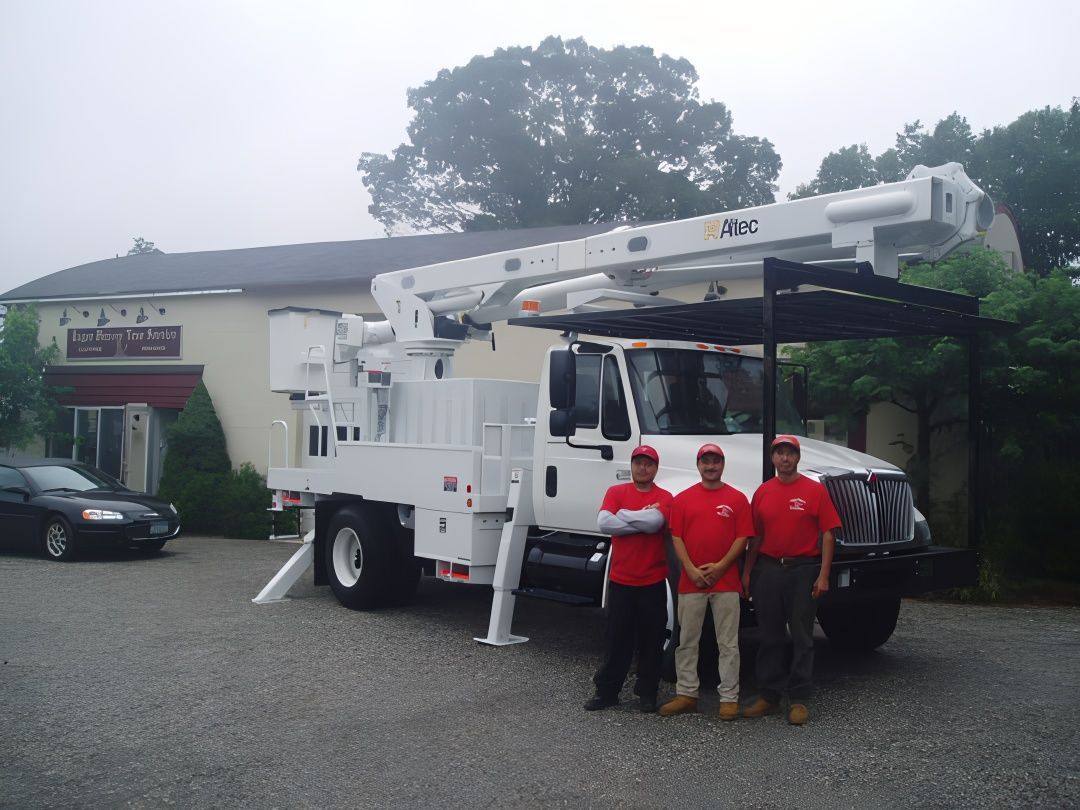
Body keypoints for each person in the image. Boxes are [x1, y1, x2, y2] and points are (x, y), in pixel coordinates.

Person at [741, 435, 841, 726]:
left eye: (790, 454)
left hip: (803, 569)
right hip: (768, 569)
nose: (784, 459)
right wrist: (747, 573)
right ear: (772, 458)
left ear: (798, 458)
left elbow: (828, 534)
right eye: (779, 453)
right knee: (770, 635)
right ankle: (769, 696)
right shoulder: (762, 492)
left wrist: (824, 575)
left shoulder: (815, 491)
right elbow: (755, 537)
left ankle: (799, 698)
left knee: (801, 634)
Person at [659, 443, 753, 721]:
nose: (710, 466)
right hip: (691, 582)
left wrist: (722, 566)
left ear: (722, 464)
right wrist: (689, 568)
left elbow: (743, 537)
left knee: (729, 644)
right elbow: (677, 537)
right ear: (698, 465)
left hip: (726, 582)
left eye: (715, 461)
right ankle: (686, 694)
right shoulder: (683, 499)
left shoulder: (737, 499)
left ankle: (729, 698)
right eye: (705, 461)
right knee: (687, 641)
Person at [585, 445, 674, 713]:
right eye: (638, 463)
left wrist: (622, 515)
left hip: (653, 581)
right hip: (622, 581)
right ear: (632, 465)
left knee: (652, 640)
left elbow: (655, 523)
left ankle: (647, 693)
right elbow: (604, 523)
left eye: (648, 464)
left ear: (655, 468)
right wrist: (638, 519)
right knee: (616, 639)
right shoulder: (616, 491)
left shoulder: (665, 496)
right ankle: (607, 692)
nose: (642, 468)